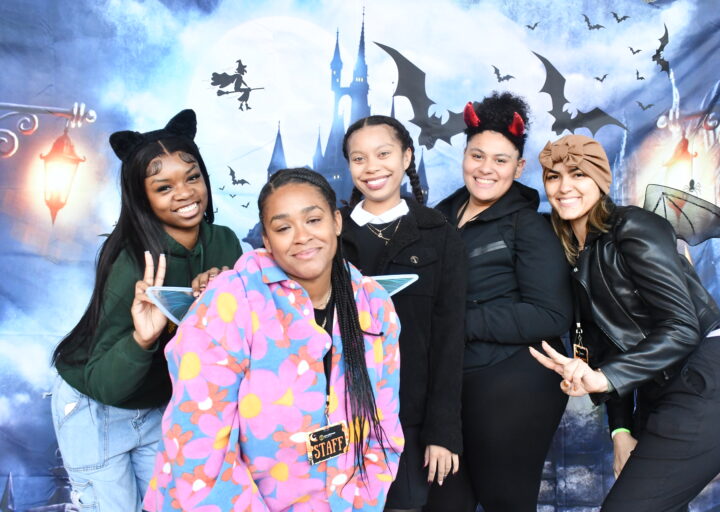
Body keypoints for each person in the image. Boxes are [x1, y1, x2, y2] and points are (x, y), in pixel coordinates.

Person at [143, 168, 403, 511]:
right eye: (283, 228)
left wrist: (362, 504)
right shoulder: (231, 302)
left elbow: (383, 428)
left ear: (337, 222)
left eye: (313, 220)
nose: (302, 237)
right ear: (266, 240)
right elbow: (196, 446)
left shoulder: (373, 304)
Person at [532, 133, 720, 511]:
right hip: (658, 390)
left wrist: (605, 378)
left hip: (710, 376)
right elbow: (611, 347)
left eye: (578, 174)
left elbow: (683, 328)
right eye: (553, 177)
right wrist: (620, 430)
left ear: (600, 181)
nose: (564, 187)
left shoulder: (633, 226)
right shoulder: (577, 255)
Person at [50, 109, 243, 511]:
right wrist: (143, 337)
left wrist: (223, 299)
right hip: (97, 405)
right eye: (164, 187)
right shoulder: (130, 260)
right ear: (142, 197)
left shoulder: (225, 243)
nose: (185, 193)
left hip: (160, 403)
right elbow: (104, 383)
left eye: (192, 177)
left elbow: (231, 343)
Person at [425, 92, 572, 512]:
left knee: (504, 501)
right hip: (450, 383)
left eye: (500, 159)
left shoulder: (528, 227)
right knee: (443, 504)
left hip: (511, 382)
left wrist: (460, 324)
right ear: (464, 157)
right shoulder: (438, 220)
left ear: (518, 167)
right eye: (477, 155)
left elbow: (551, 315)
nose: (486, 168)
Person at [340, 115, 466, 512]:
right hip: (341, 412)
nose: (371, 167)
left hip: (410, 412)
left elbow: (449, 337)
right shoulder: (329, 233)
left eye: (383, 154)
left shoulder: (438, 234)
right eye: (359, 158)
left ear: (406, 157)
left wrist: (442, 430)